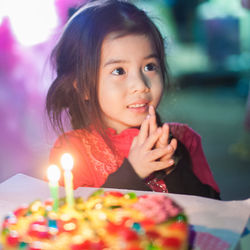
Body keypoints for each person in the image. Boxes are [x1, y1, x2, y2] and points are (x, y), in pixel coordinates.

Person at [46, 0, 220, 199]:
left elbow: (213, 211)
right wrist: (133, 173)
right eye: (119, 71)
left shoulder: (184, 140)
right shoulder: (73, 152)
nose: (140, 84)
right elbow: (72, 219)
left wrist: (172, 166)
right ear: (84, 87)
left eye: (149, 67)